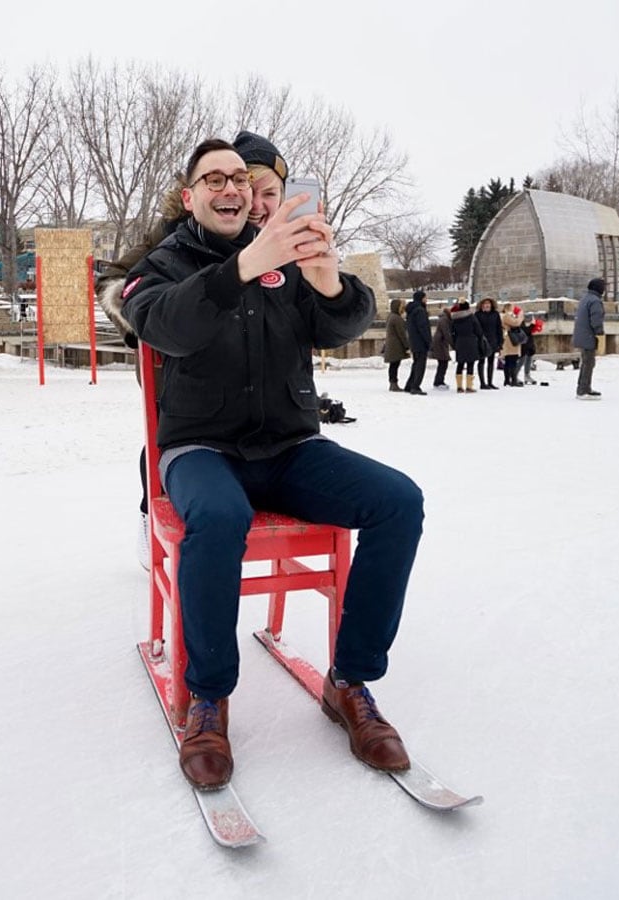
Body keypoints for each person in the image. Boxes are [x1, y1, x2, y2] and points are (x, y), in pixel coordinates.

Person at [119, 138, 423, 791]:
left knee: (399, 500)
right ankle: (208, 698)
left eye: (240, 178)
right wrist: (243, 266)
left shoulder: (287, 257)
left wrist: (327, 280)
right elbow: (161, 324)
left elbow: (346, 324)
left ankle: (351, 682)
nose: (230, 189)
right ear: (190, 196)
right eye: (214, 179)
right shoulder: (165, 264)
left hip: (288, 448)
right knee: (221, 517)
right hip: (200, 448)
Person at [97, 130, 292, 571]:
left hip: (250, 371)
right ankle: (156, 514)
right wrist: (148, 326)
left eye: (270, 193)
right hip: (180, 366)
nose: (258, 204)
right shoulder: (178, 235)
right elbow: (117, 283)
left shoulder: (278, 239)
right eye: (250, 188)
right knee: (173, 437)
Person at [573, 278, 607, 399]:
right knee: (588, 363)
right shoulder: (595, 301)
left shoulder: (585, 298)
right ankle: (583, 390)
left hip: (582, 334)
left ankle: (583, 387)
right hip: (588, 335)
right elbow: (596, 320)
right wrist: (600, 333)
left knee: (586, 362)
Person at [449, 299, 482, 393]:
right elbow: (478, 330)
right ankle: (469, 386)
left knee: (460, 363)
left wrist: (455, 342)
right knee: (470, 364)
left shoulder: (455, 319)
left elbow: (452, 332)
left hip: (460, 342)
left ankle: (459, 386)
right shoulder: (471, 317)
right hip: (471, 341)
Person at [403, 290, 431, 395]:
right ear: (421, 298)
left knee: (416, 364)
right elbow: (423, 328)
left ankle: (409, 385)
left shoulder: (412, 310)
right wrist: (428, 341)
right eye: (425, 298)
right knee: (420, 365)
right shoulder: (420, 311)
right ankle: (415, 386)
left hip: (414, 341)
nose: (426, 300)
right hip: (420, 342)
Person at [474, 298, 502, 389]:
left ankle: (490, 382)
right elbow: (475, 328)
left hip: (493, 341)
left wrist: (500, 342)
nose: (487, 305)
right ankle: (482, 382)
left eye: (488, 303)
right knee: (481, 361)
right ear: (481, 305)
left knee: (491, 362)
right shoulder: (478, 315)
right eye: (485, 303)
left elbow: (499, 328)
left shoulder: (495, 314)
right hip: (482, 341)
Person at [382, 297, 409, 391]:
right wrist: (407, 346)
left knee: (393, 365)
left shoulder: (391, 316)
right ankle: (394, 384)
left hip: (392, 345)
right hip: (396, 346)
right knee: (395, 365)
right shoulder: (397, 318)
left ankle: (393, 383)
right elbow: (402, 334)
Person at [500, 304, 525, 386]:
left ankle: (507, 380)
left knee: (508, 361)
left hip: (508, 339)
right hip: (510, 340)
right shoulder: (506, 316)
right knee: (512, 360)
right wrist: (520, 315)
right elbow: (516, 323)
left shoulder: (504, 316)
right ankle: (513, 380)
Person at [430, 303, 452, 390]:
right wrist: (453, 344)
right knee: (443, 363)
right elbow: (446, 333)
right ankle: (438, 382)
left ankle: (440, 381)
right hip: (440, 344)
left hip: (441, 343)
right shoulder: (444, 320)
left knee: (443, 363)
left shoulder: (444, 319)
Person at [518, 313, 539, 385]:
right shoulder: (519, 323)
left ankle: (527, 375)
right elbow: (526, 331)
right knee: (521, 361)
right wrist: (532, 325)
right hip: (523, 344)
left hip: (529, 344)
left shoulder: (523, 323)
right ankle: (515, 375)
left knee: (528, 360)